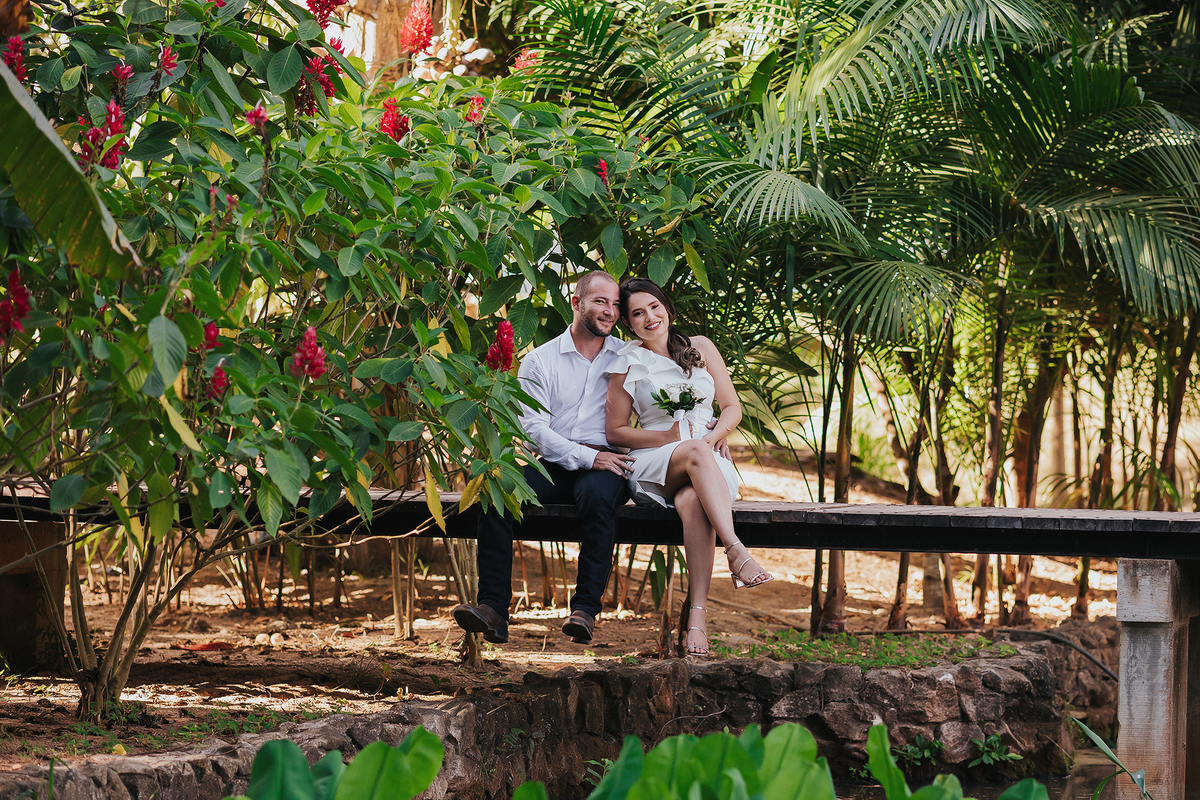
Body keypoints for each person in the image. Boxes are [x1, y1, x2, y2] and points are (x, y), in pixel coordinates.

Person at [452, 271, 636, 645]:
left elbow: (659, 402)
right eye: (601, 302)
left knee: (598, 497)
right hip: (555, 463)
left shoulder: (629, 357)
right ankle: (492, 611)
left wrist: (709, 426)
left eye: (616, 305)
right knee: (499, 493)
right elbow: (533, 429)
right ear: (576, 302)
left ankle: (584, 610)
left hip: (610, 466)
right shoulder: (540, 360)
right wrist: (586, 457)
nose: (610, 312)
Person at [603, 277, 772, 659]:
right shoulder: (627, 361)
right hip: (654, 462)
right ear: (629, 324)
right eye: (638, 314)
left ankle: (697, 617)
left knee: (694, 501)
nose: (649, 318)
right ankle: (735, 549)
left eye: (655, 307)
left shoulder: (701, 348)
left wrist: (716, 436)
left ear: (667, 308)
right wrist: (667, 438)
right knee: (693, 451)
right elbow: (614, 431)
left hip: (708, 459)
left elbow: (732, 407)